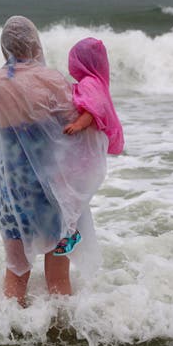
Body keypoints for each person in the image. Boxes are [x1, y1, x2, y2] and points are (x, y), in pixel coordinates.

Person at [0, 16, 108, 306]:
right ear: (35, 43)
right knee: (58, 275)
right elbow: (72, 125)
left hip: (10, 188)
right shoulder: (50, 80)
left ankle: (8, 333)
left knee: (16, 271)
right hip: (50, 187)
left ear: (5, 47)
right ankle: (61, 336)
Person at [53, 37, 125, 256]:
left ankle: (70, 233)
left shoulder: (89, 83)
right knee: (72, 192)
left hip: (87, 149)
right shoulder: (95, 83)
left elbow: (93, 109)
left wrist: (77, 125)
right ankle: (69, 231)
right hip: (90, 150)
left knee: (70, 190)